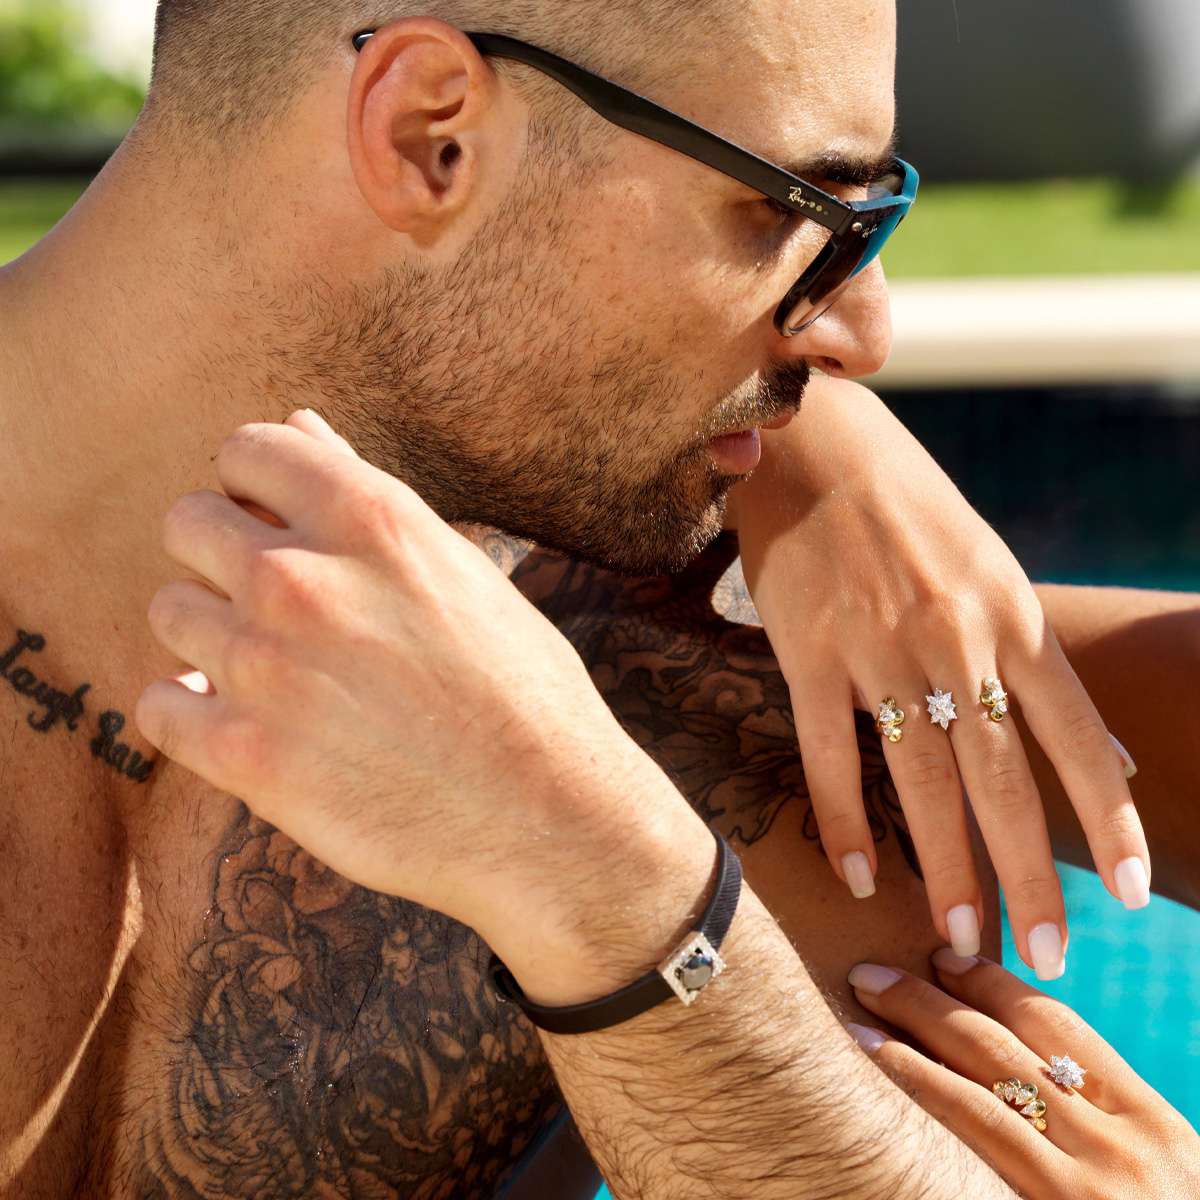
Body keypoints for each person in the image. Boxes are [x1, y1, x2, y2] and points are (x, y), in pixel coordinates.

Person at [0, 0, 1195, 1195]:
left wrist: (616, 885)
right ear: (429, 138)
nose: (865, 336)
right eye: (789, 209)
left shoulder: (695, 694)